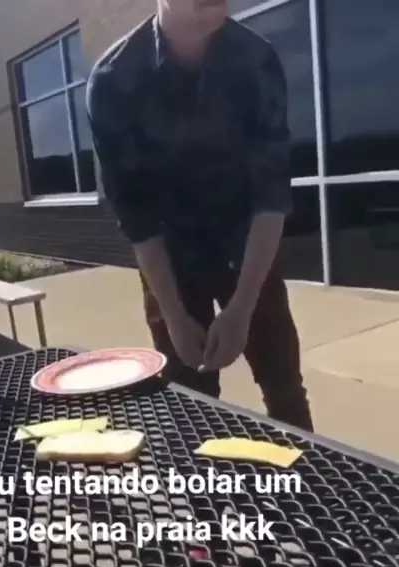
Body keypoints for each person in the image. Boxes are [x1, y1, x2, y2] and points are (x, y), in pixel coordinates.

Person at [86, 0, 314, 432]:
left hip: (248, 248)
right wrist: (172, 312)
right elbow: (137, 216)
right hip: (170, 262)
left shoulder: (256, 60)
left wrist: (243, 306)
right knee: (189, 403)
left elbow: (271, 195)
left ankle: (308, 474)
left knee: (285, 390)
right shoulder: (114, 80)